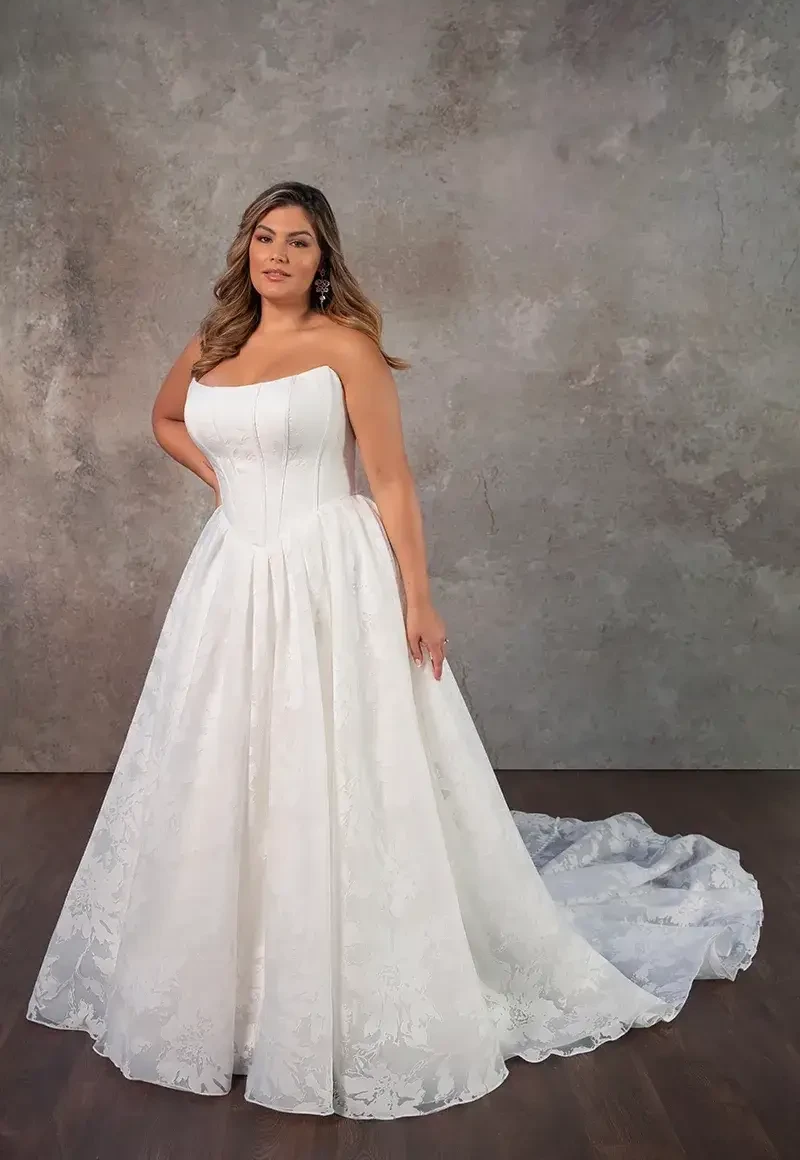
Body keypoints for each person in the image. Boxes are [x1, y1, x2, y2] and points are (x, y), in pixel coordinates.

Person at [26, 181, 763, 1120]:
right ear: (245, 249)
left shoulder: (346, 348)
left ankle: (346, 975)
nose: (278, 254)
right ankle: (236, 988)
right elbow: (166, 419)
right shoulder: (211, 344)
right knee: (225, 762)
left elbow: (392, 481)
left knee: (337, 763)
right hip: (233, 576)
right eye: (265, 237)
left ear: (322, 260)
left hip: (331, 573)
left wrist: (420, 599)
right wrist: (227, 482)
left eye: (298, 241)